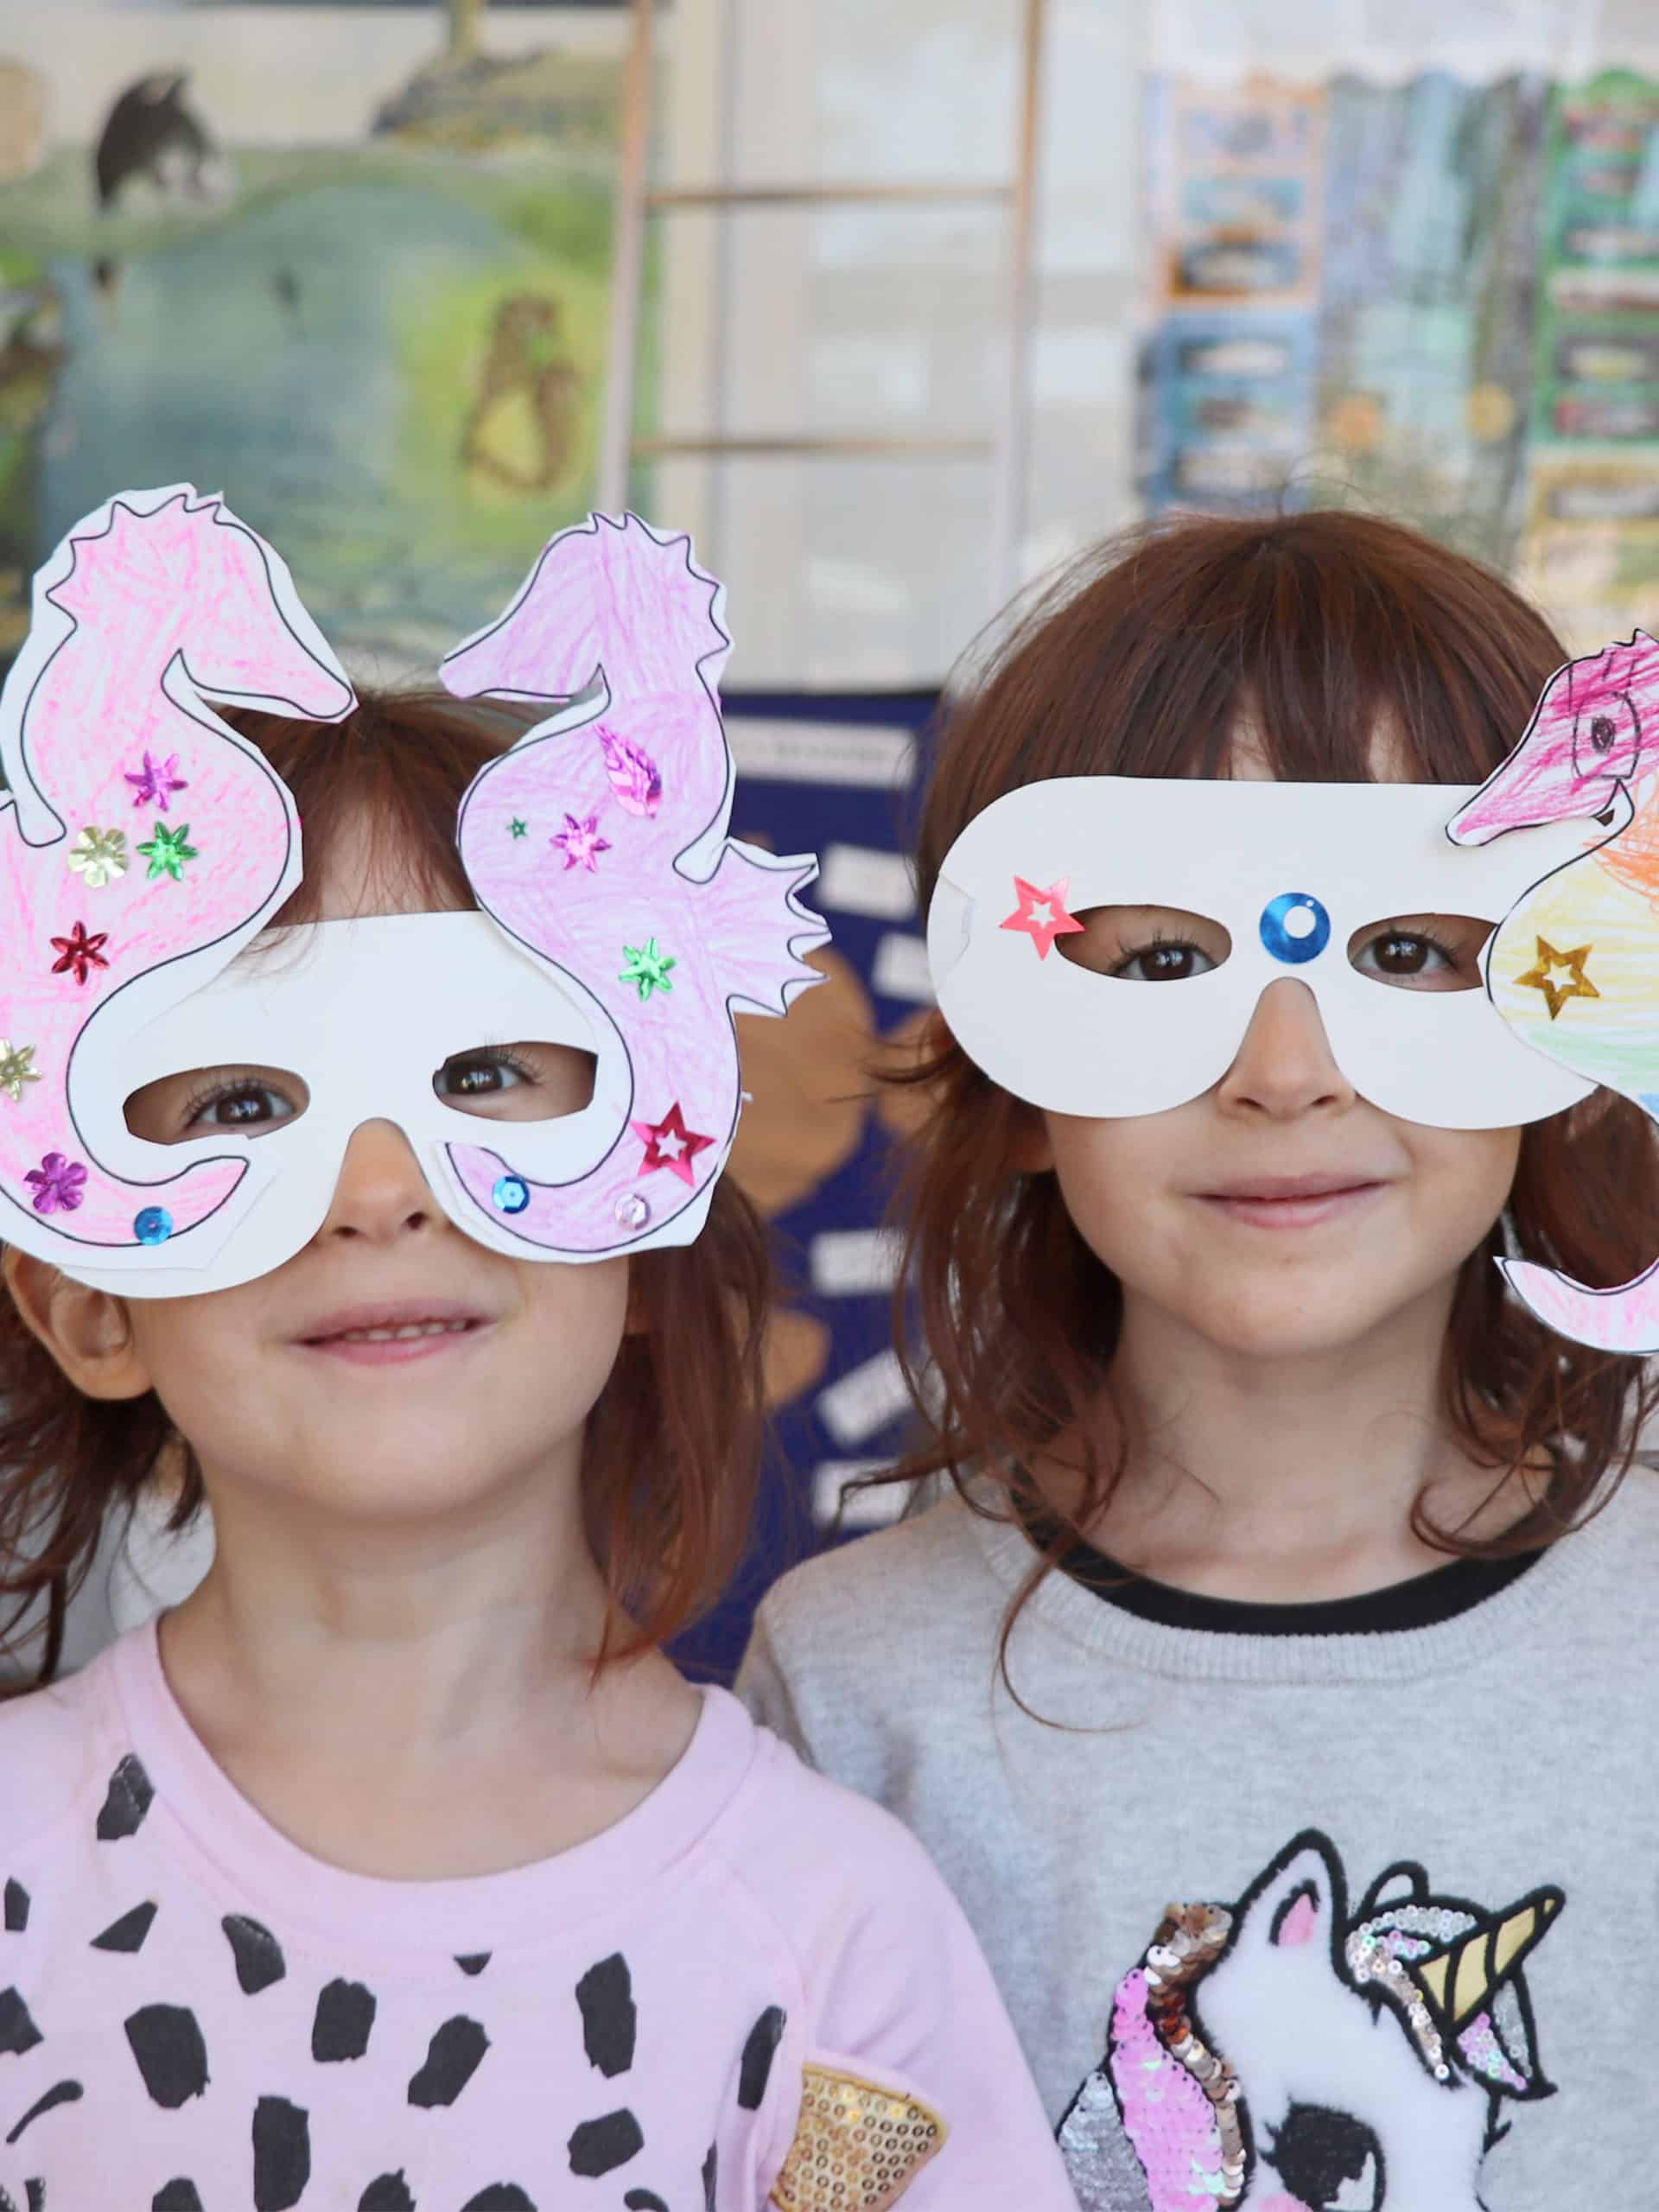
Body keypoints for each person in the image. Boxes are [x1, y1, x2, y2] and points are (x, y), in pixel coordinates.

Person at [0, 486, 1074, 2210]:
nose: (380, 1188)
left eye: (488, 1074)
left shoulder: (823, 1932)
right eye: (246, 1100)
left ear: (646, 1217)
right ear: (91, 1303)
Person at [737, 509, 1659, 2210]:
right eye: (1163, 962)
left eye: (1407, 952)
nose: (1283, 1066)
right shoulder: (864, 1682)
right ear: (1001, 1068)